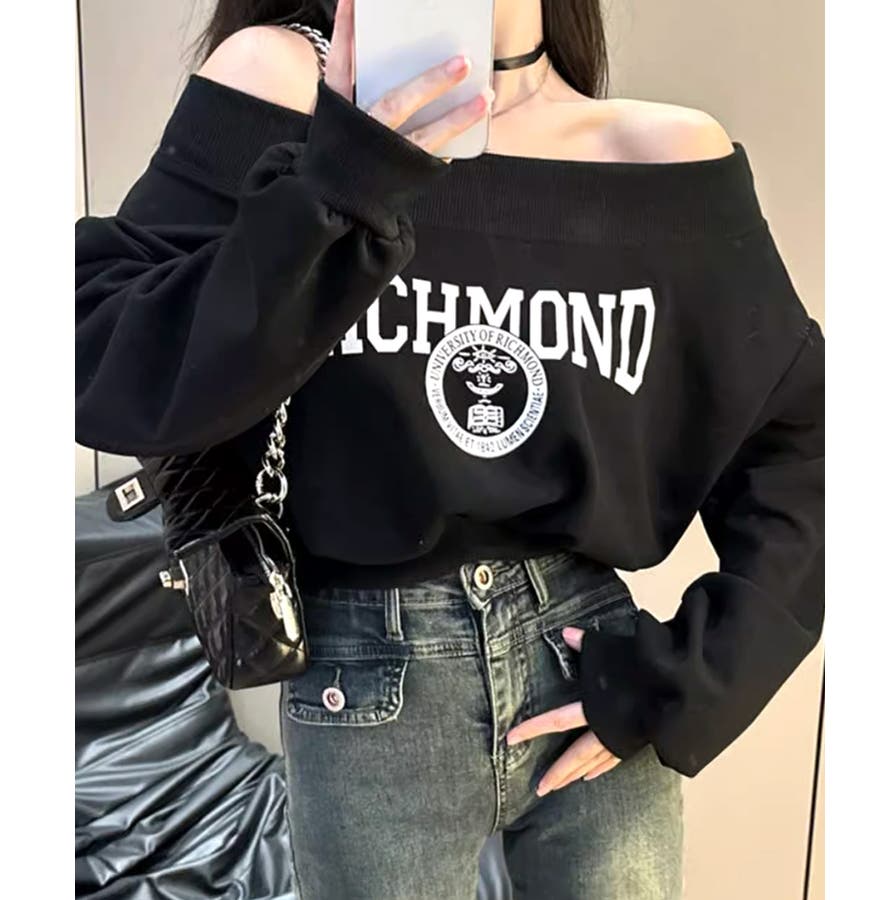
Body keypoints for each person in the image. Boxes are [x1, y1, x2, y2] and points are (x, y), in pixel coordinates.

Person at [74, 0, 825, 897]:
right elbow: (103, 362)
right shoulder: (278, 83)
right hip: (368, 677)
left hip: (586, 657)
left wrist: (693, 681)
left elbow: (808, 448)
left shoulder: (660, 155)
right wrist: (341, 181)